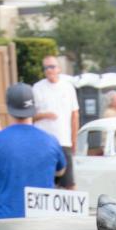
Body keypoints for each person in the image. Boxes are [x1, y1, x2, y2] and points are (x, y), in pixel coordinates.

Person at [0, 82, 67, 220]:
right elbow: (60, 171)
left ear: (9, 108)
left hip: (8, 222)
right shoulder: (51, 140)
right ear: (33, 107)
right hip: (44, 222)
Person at [32, 53, 79, 183]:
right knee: (44, 182)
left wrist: (74, 139)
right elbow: (30, 116)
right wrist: (44, 115)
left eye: (52, 67)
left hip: (63, 141)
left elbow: (75, 115)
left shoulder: (68, 88)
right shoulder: (37, 88)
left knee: (68, 183)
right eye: (46, 68)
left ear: (59, 68)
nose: (49, 70)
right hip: (43, 142)